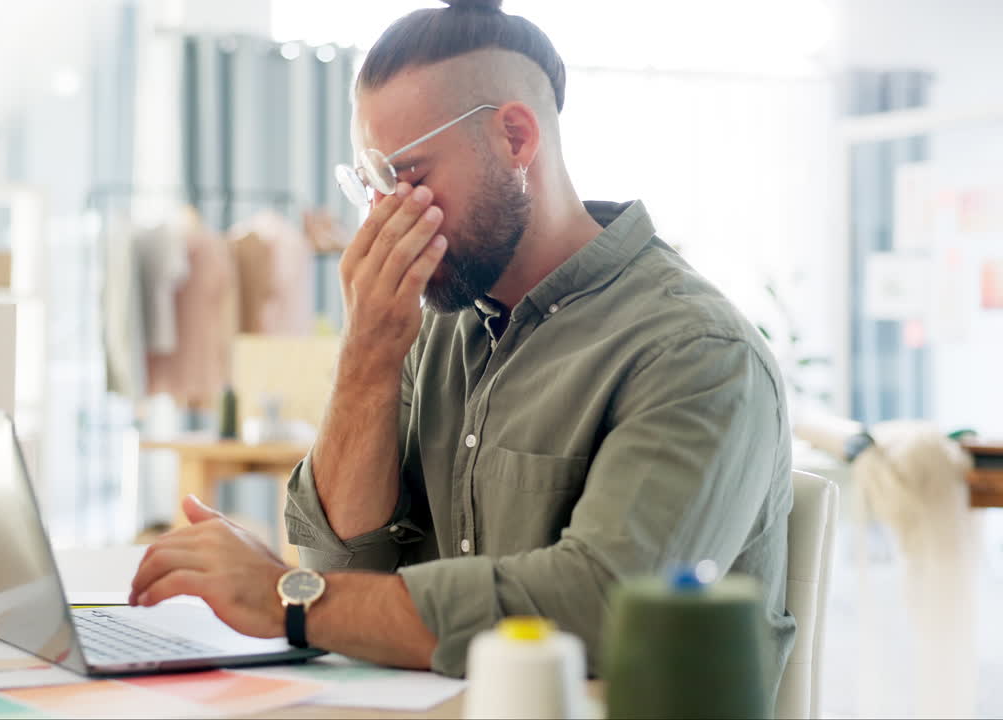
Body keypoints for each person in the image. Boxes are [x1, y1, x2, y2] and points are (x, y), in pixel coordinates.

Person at [130, 0, 795, 691]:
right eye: (373, 184)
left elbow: (606, 612)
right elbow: (346, 575)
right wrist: (366, 358)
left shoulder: (696, 353)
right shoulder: (439, 327)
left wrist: (284, 596)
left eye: (409, 176)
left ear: (514, 137)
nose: (385, 216)